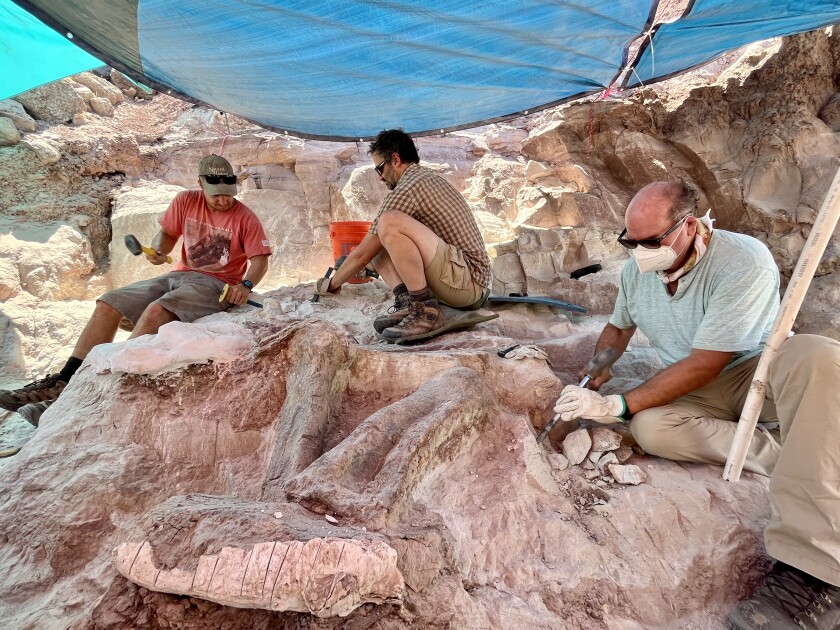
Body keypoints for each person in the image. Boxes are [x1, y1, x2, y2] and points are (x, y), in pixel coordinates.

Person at [554, 180, 840, 629]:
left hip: (756, 375)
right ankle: (791, 455)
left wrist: (615, 406)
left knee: (818, 355)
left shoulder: (742, 260)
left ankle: (818, 571)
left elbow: (707, 363)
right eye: (631, 241)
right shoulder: (639, 271)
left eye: (650, 242)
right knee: (651, 429)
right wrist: (596, 371)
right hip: (699, 386)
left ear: (688, 226)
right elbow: (618, 329)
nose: (639, 252)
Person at [1, 154, 272, 423]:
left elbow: (260, 259)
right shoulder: (186, 200)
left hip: (217, 284)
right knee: (108, 302)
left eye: (229, 194)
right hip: (180, 274)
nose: (224, 200)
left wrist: (245, 284)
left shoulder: (245, 217)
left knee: (157, 311)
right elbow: (167, 235)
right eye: (217, 195)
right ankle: (65, 380)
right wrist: (158, 250)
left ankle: (92, 391)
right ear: (202, 185)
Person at [313, 129, 491, 342]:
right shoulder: (422, 179)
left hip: (468, 286)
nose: (380, 177)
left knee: (388, 222)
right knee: (377, 240)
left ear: (395, 159)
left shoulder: (410, 186)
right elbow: (368, 250)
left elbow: (361, 255)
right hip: (459, 280)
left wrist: (331, 285)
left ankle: (425, 312)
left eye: (380, 168)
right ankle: (409, 302)